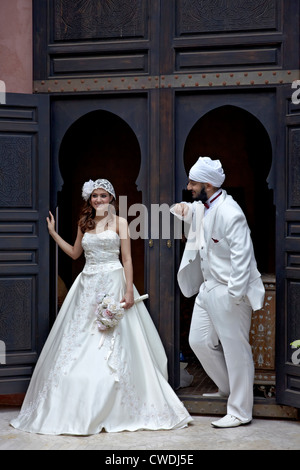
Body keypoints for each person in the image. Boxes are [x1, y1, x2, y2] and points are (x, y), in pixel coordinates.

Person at [11, 178, 192, 435]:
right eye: (94, 196)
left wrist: (129, 289)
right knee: (78, 339)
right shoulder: (84, 223)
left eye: (103, 196)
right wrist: (53, 234)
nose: (98, 200)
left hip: (113, 282)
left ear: (111, 199)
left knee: (114, 340)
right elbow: (75, 254)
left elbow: (127, 259)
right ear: (90, 199)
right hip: (86, 286)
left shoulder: (120, 223)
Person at [171, 157, 265, 428]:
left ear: (208, 185)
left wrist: (235, 296)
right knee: (198, 341)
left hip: (229, 291)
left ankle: (240, 411)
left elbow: (243, 257)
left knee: (236, 349)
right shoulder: (206, 206)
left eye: (192, 182)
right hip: (207, 288)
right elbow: (196, 212)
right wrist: (182, 209)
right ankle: (228, 389)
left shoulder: (230, 212)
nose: (188, 186)